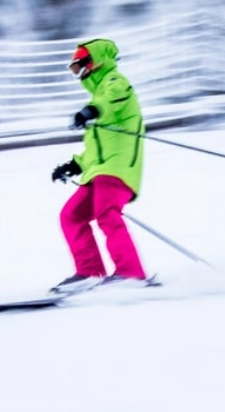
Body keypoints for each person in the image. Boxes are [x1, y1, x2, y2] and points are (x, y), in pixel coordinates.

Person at [50, 38, 150, 293]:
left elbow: (110, 101)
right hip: (99, 170)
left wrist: (90, 111)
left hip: (119, 168)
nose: (78, 73)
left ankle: (131, 273)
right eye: (74, 69)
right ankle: (90, 271)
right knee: (70, 216)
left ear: (94, 62)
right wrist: (74, 165)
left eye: (80, 66)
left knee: (106, 212)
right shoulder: (97, 93)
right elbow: (96, 149)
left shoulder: (116, 82)